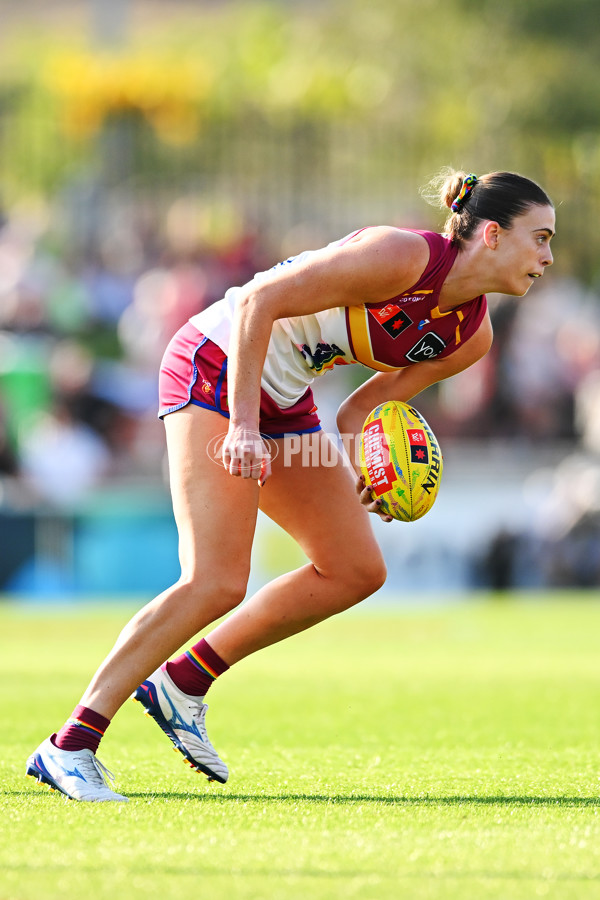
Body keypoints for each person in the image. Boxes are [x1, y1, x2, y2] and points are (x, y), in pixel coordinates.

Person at [26, 169, 555, 801]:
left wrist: (371, 464)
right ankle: (70, 746)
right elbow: (255, 301)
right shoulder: (401, 255)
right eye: (540, 238)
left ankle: (183, 683)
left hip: (283, 399)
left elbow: (358, 412)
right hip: (216, 365)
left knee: (354, 568)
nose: (548, 257)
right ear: (492, 235)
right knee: (214, 581)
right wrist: (243, 426)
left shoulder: (471, 337)